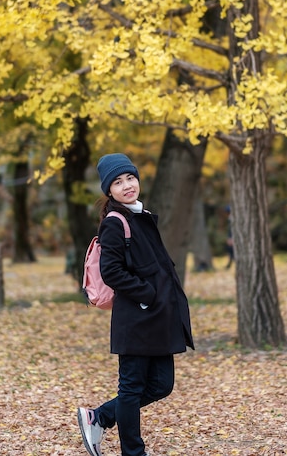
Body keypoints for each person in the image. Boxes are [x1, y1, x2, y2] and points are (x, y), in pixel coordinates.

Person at [78, 153, 194, 456]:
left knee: (161, 385)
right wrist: (148, 295)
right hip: (137, 319)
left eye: (130, 178)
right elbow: (112, 271)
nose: (127, 185)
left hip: (157, 319)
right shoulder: (115, 223)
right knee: (130, 389)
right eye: (118, 182)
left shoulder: (140, 215)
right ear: (109, 190)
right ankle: (133, 452)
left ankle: (100, 416)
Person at [224, 205, 235, 269]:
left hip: (232, 238)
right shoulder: (230, 219)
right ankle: (229, 263)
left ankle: (229, 264)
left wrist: (231, 238)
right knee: (230, 251)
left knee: (231, 251)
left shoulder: (232, 220)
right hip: (231, 238)